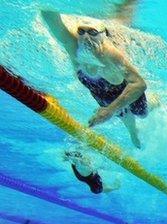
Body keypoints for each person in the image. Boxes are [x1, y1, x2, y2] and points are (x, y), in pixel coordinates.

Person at [40, 0, 158, 149]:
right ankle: (133, 130)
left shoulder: (112, 55)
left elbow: (139, 84)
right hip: (100, 90)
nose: (86, 38)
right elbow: (49, 16)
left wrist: (109, 111)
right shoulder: (73, 44)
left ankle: (155, 101)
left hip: (122, 88)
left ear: (103, 35)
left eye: (93, 32)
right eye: (81, 31)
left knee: (142, 112)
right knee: (124, 116)